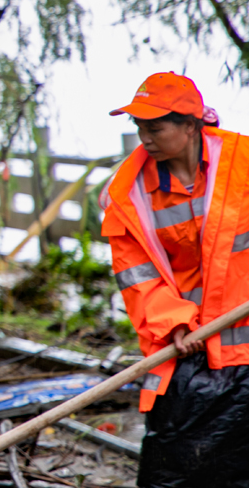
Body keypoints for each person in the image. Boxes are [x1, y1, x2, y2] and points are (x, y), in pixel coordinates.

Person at [102, 71, 249, 487]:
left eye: (155, 127)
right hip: (186, 351)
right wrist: (174, 323)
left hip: (244, 343)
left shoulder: (243, 164)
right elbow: (135, 274)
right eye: (139, 128)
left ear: (191, 125)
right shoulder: (130, 193)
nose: (145, 138)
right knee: (175, 469)